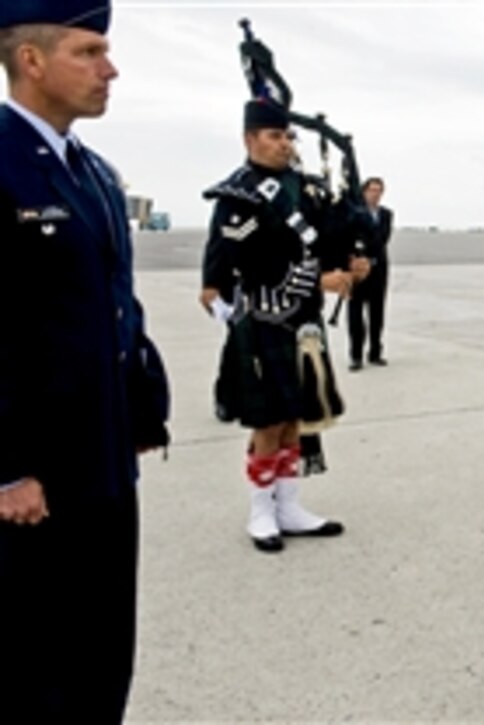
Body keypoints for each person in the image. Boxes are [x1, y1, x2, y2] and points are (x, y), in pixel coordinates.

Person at [0, 1, 170, 720]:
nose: (111, 69)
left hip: (103, 461)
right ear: (31, 60)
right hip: (31, 481)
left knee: (104, 651)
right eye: (89, 51)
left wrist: (140, 409)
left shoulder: (94, 173)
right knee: (34, 665)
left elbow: (114, 304)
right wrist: (7, 466)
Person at [201, 98, 364, 553]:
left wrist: (352, 257)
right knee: (269, 420)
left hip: (303, 323)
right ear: (249, 139)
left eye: (289, 136)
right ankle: (261, 510)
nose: (285, 144)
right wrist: (319, 282)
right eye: (275, 136)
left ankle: (289, 506)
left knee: (296, 417)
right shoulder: (238, 195)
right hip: (265, 317)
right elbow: (249, 261)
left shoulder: (306, 190)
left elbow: (327, 238)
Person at [347, 176, 393, 369]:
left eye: (379, 191)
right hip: (357, 267)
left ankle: (375, 353)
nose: (375, 194)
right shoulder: (354, 213)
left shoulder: (386, 214)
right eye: (372, 190)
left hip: (378, 267)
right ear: (364, 192)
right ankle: (356, 356)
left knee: (377, 312)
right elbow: (351, 236)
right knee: (355, 313)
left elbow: (382, 238)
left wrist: (369, 248)